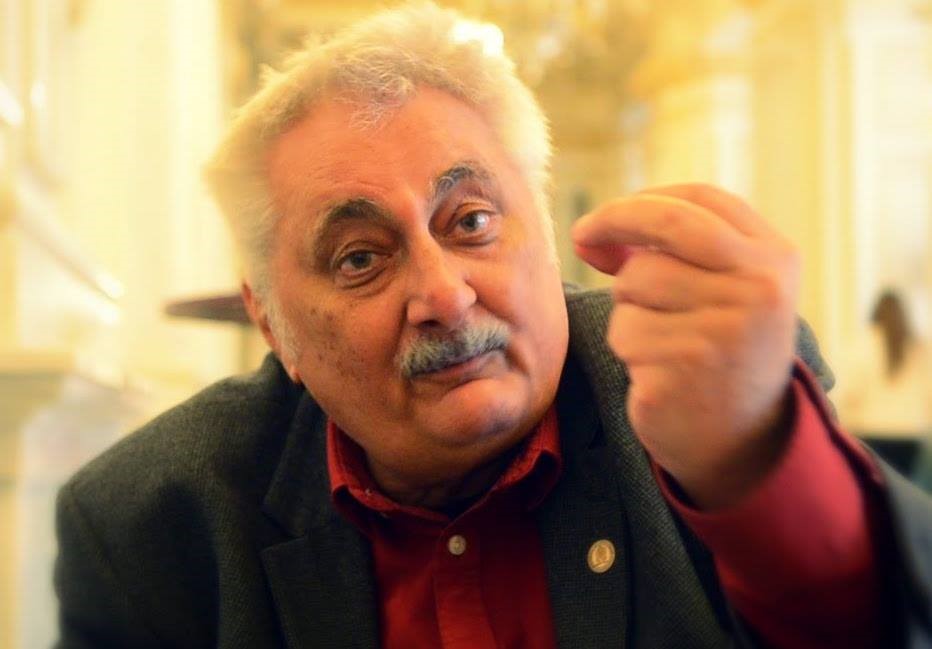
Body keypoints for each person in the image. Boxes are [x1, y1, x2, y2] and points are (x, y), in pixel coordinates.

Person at [54, 4, 932, 648]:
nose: (444, 294)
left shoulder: (705, 393)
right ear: (272, 325)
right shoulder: (148, 527)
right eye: (359, 258)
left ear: (545, 230)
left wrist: (752, 462)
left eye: (471, 220)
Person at [836, 289, 932, 474]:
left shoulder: (864, 343)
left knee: (876, 486)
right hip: (910, 432)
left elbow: (852, 393)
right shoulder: (918, 346)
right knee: (903, 485)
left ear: (875, 313)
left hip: (871, 430)